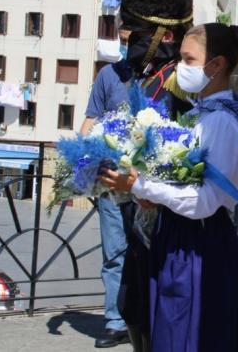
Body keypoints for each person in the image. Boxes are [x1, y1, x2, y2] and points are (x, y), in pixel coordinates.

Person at [100, 23, 238, 352]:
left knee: (192, 337)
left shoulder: (220, 121)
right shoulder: (202, 114)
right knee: (172, 333)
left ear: (217, 64)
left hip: (199, 244)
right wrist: (144, 192)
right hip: (181, 239)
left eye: (188, 59)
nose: (179, 67)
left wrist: (142, 186)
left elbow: (205, 201)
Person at [115, 0, 195, 350]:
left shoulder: (180, 84)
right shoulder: (146, 80)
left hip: (170, 219)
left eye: (133, 32)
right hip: (140, 212)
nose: (126, 38)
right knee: (131, 304)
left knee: (155, 310)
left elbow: (187, 154)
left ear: (161, 35)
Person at [81, 26, 132, 349]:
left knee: (152, 251)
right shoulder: (108, 75)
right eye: (122, 41)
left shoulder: (166, 74)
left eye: (132, 41)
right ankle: (115, 321)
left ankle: (147, 316)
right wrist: (80, 169)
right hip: (110, 180)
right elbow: (90, 121)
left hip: (149, 181)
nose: (126, 47)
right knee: (114, 252)